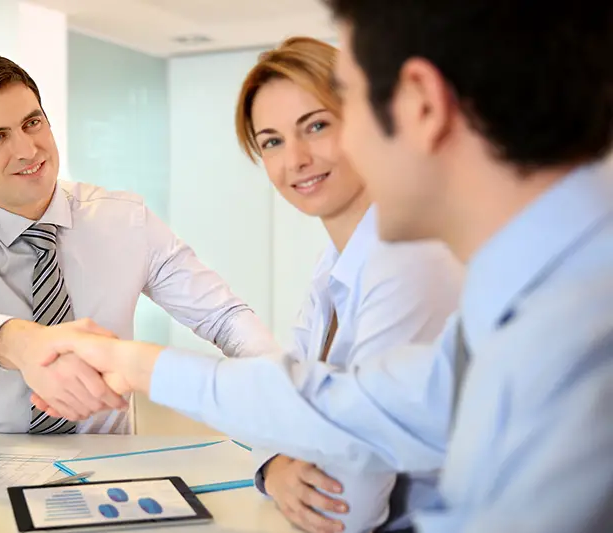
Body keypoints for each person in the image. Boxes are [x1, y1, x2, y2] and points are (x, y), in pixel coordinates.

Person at [34, 1, 613, 532]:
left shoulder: (579, 318)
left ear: (421, 104)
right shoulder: (524, 291)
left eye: (340, 112)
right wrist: (135, 364)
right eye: (273, 142)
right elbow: (357, 403)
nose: (303, 157)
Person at [0, 53, 281, 435]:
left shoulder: (125, 220)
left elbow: (224, 317)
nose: (27, 149)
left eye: (32, 122)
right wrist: (24, 345)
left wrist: (288, 403)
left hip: (111, 462)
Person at [234, 37, 462, 533]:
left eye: (315, 126)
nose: (295, 159)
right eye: (271, 141)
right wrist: (275, 468)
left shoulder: (410, 260)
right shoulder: (336, 265)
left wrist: (293, 457)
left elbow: (348, 509)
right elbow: (277, 400)